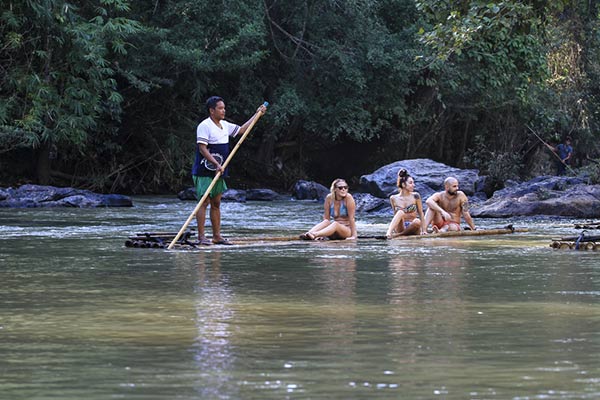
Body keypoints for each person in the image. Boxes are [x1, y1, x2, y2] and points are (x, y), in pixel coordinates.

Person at [193, 96, 267, 245]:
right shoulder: (204, 125)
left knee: (216, 203)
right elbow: (202, 149)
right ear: (211, 110)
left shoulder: (225, 125)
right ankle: (201, 236)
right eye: (220, 108)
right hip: (205, 169)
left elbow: (241, 130)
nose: (223, 110)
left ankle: (216, 236)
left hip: (220, 169)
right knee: (204, 202)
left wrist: (257, 114)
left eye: (224, 108)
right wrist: (215, 164)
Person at [385, 169, 425, 238]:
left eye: (413, 183)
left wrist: (424, 230)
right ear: (403, 184)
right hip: (400, 227)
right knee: (400, 212)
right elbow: (395, 215)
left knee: (417, 221)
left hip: (413, 226)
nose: (413, 185)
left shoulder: (416, 196)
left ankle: (398, 235)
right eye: (410, 183)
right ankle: (389, 232)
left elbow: (421, 213)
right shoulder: (393, 198)